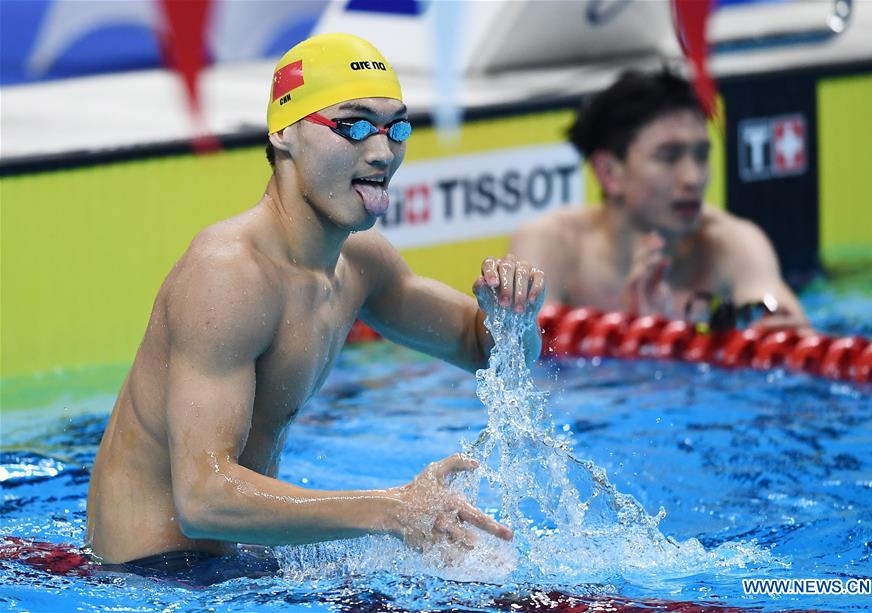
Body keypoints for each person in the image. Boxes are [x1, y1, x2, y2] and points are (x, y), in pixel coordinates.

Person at [85, 33, 545, 582]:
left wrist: (513, 318)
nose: (381, 152)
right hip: (156, 579)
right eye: (351, 126)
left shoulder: (359, 262)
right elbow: (202, 498)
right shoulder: (229, 274)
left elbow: (482, 349)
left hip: (238, 559)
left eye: (396, 128)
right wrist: (391, 511)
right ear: (285, 133)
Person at [510, 69, 807, 330]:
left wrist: (777, 326)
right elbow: (527, 374)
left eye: (702, 155)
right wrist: (642, 334)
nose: (693, 178)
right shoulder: (553, 245)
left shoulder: (732, 245)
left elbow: (789, 334)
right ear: (609, 173)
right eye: (669, 157)